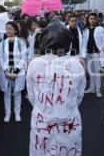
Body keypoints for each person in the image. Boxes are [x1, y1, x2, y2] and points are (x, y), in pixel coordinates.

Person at [26, 21, 86, 156]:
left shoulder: (34, 64)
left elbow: (32, 96)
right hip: (69, 123)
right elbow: (79, 96)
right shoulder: (76, 65)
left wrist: (45, 108)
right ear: (68, 42)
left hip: (42, 122)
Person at [0, 21, 27, 122]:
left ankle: (17, 113)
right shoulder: (2, 43)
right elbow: (0, 58)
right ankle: (8, 113)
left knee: (17, 93)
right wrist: (6, 70)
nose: (8, 31)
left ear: (15, 30)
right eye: (6, 29)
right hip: (6, 71)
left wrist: (16, 71)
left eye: (10, 28)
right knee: (7, 93)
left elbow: (23, 58)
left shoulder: (21, 43)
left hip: (18, 71)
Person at [81, 13, 104, 97]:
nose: (92, 20)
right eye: (91, 19)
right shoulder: (86, 30)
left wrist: (99, 49)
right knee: (90, 72)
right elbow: (84, 43)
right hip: (88, 53)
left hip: (96, 53)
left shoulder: (100, 29)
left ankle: (98, 90)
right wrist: (83, 53)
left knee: (96, 72)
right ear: (88, 20)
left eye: (94, 19)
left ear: (96, 20)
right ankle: (92, 88)